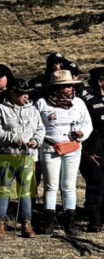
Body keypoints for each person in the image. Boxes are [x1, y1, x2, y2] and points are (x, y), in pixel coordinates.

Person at [35, 69, 92, 234]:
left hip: (72, 148)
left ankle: (69, 221)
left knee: (69, 185)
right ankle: (48, 221)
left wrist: (82, 133)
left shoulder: (79, 103)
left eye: (69, 85)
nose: (67, 89)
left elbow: (87, 124)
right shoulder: (42, 103)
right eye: (64, 86)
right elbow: (36, 125)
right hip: (49, 147)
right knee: (51, 185)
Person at [0, 80, 44, 238]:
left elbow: (40, 128)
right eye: (21, 92)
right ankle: (0, 222)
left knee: (25, 191)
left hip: (26, 156)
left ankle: (26, 223)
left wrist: (35, 141)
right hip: (7, 155)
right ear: (12, 93)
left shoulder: (33, 110)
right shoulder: (0, 109)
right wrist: (13, 138)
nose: (25, 95)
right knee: (4, 189)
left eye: (27, 92)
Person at [79, 67, 104, 232]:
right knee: (96, 182)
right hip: (96, 145)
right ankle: (94, 219)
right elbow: (85, 128)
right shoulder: (89, 102)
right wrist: (86, 151)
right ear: (100, 82)